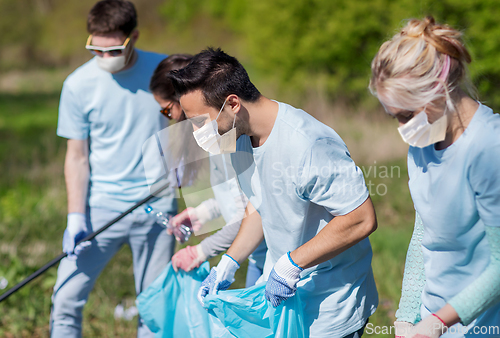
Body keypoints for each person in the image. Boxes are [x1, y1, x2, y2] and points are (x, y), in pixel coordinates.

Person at [168, 48, 379, 337]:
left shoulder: (307, 143)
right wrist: (229, 262)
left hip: (331, 305)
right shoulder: (240, 140)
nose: (196, 133)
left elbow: (361, 218)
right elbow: (260, 205)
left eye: (200, 122)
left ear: (232, 104)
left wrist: (294, 263)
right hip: (284, 299)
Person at [51, 1, 177, 337]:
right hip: (100, 209)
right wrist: (75, 217)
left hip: (157, 207)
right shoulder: (77, 85)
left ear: (133, 36)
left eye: (114, 50)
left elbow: (189, 123)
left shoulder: (164, 72)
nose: (105, 58)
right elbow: (76, 156)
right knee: (64, 299)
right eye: (96, 49)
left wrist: (186, 166)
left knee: (154, 310)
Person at [370, 16, 500, 338]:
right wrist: (407, 315)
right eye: (394, 116)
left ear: (439, 91)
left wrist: (440, 321)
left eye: (406, 114)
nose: (402, 127)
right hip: (430, 323)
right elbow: (423, 233)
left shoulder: (488, 148)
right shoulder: (422, 142)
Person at [149, 54, 267, 287]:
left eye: (166, 111)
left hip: (268, 254)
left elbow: (251, 214)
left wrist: (200, 252)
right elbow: (238, 198)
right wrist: (202, 214)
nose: (168, 118)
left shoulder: (225, 138)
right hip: (258, 255)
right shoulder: (214, 140)